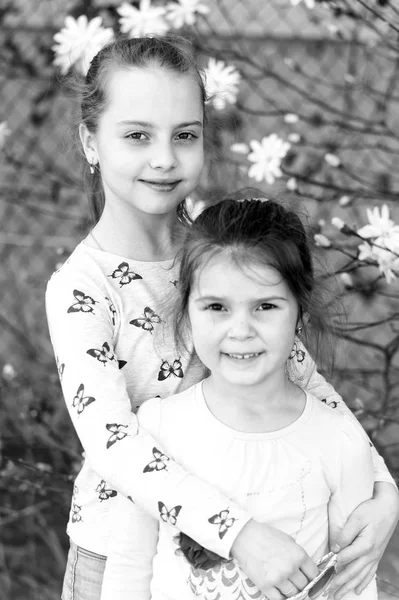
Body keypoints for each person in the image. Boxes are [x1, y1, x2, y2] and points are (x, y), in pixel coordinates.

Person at [44, 35, 398, 600]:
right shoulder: (82, 287)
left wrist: (383, 492)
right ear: (91, 141)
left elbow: (307, 383)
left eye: (184, 135)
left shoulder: (219, 251)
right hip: (124, 556)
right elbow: (114, 442)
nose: (163, 158)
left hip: (256, 544)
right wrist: (239, 535)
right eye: (137, 136)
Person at [99, 197, 393, 600]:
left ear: (300, 316)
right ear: (187, 312)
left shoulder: (338, 440)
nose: (240, 330)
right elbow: (128, 572)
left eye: (265, 306)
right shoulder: (157, 427)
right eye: (217, 306)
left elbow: (352, 585)